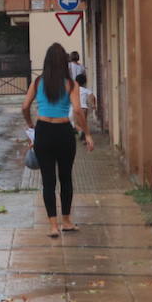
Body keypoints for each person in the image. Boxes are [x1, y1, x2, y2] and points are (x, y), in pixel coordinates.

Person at [22, 43, 93, 237]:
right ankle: (67, 222)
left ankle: (53, 226)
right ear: (65, 62)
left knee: (48, 181)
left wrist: (31, 126)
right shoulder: (71, 84)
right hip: (63, 132)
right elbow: (78, 111)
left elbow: (25, 106)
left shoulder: (38, 82)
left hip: (43, 131)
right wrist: (86, 134)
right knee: (66, 178)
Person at [75, 73, 96, 140]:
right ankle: (84, 138)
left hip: (76, 108)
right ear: (85, 82)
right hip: (84, 108)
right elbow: (92, 96)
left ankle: (81, 132)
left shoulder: (74, 90)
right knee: (84, 123)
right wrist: (93, 105)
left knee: (76, 123)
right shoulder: (86, 90)